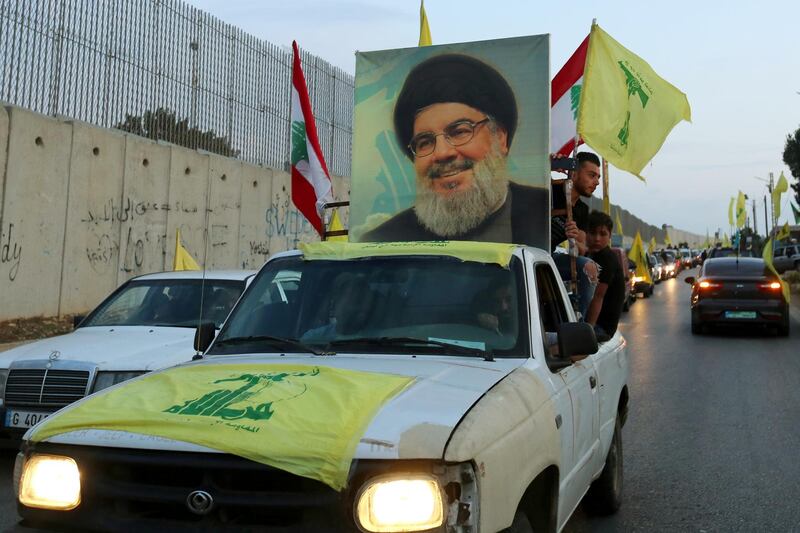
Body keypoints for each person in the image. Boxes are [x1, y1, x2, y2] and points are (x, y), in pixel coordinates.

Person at [362, 54, 548, 245]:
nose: (442, 153)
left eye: (459, 131)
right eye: (425, 142)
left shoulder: (545, 212)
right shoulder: (383, 240)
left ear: (500, 137)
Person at [550, 152, 601, 317]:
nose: (597, 182)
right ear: (574, 173)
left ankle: (579, 323)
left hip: (549, 258)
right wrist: (547, 164)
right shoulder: (550, 188)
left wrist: (573, 238)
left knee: (590, 267)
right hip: (523, 252)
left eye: (598, 177)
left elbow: (581, 249)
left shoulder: (582, 210)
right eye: (592, 175)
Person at [584, 210, 625, 340]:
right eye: (592, 233)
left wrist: (587, 330)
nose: (597, 238)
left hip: (601, 327)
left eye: (602, 234)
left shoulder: (607, 259)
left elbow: (598, 296)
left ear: (610, 236)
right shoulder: (589, 256)